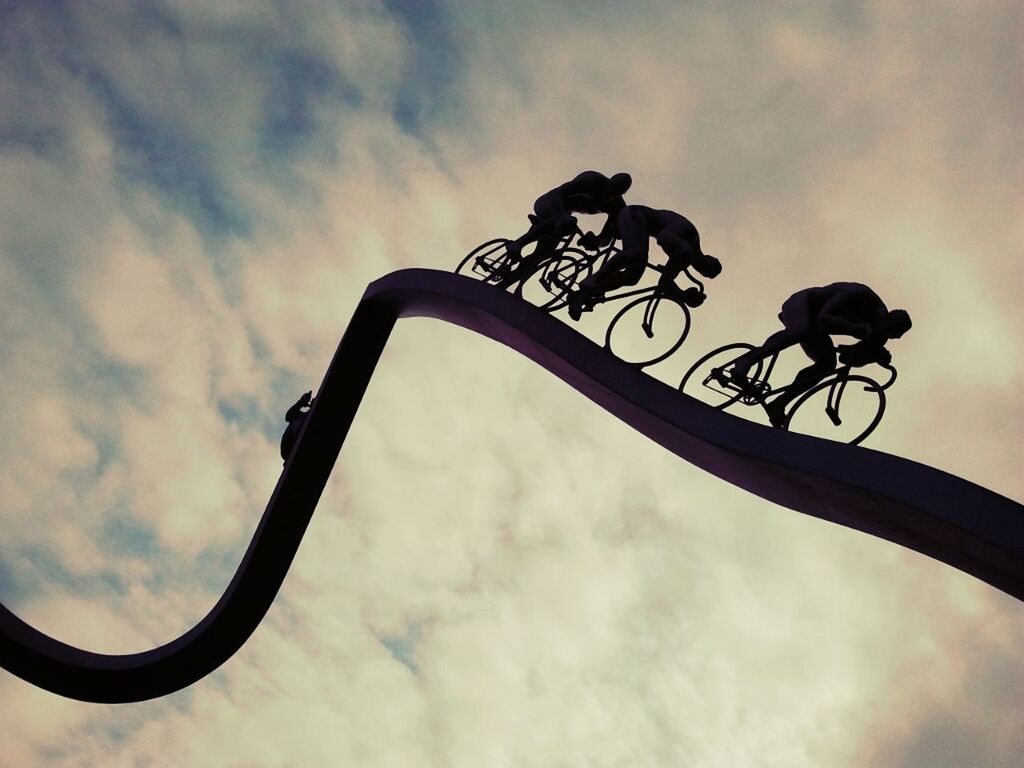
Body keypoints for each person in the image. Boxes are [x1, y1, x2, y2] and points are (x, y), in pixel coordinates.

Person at [727, 283, 912, 427]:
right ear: (887, 317)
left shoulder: (879, 335)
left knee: (826, 365)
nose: (885, 336)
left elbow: (847, 360)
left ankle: (779, 404)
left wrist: (872, 356)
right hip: (804, 305)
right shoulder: (861, 295)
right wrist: (853, 328)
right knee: (801, 329)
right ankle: (745, 361)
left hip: (816, 327)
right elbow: (824, 318)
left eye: (891, 336)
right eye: (888, 330)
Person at [567, 204, 721, 320]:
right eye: (706, 266)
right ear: (707, 257)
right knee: (634, 252)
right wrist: (683, 244)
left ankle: (585, 294)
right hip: (636, 215)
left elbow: (664, 283)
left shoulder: (682, 258)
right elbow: (663, 237)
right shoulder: (690, 234)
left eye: (704, 272)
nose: (700, 267)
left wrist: (683, 296)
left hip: (642, 227)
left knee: (632, 277)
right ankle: (591, 282)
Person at [500, 170, 632, 283]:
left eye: (614, 193)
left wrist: (595, 242)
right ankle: (517, 244)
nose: (608, 195)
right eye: (610, 189)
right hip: (549, 203)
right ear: (609, 181)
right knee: (568, 222)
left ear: (620, 194)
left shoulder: (617, 207)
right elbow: (557, 195)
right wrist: (562, 215)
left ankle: (511, 278)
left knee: (542, 254)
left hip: (564, 218)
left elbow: (606, 238)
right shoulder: (592, 180)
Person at [280, 391, 313, 463]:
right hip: (287, 447)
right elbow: (288, 416)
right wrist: (301, 402)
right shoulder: (299, 415)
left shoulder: (308, 417)